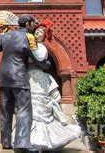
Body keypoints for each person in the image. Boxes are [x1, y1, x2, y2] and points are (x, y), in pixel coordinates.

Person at [0, 14, 50, 152]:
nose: (34, 26)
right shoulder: (29, 37)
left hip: (4, 76)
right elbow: (36, 57)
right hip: (18, 76)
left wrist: (2, 33)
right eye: (32, 24)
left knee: (5, 110)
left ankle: (6, 141)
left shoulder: (7, 35)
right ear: (28, 24)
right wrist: (45, 64)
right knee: (24, 109)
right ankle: (22, 143)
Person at [28, 20, 81, 150]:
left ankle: (44, 142)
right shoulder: (28, 44)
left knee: (39, 108)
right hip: (26, 77)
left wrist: (31, 47)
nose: (38, 33)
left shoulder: (41, 47)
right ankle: (30, 140)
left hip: (37, 78)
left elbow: (40, 58)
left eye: (41, 32)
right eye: (37, 31)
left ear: (44, 36)